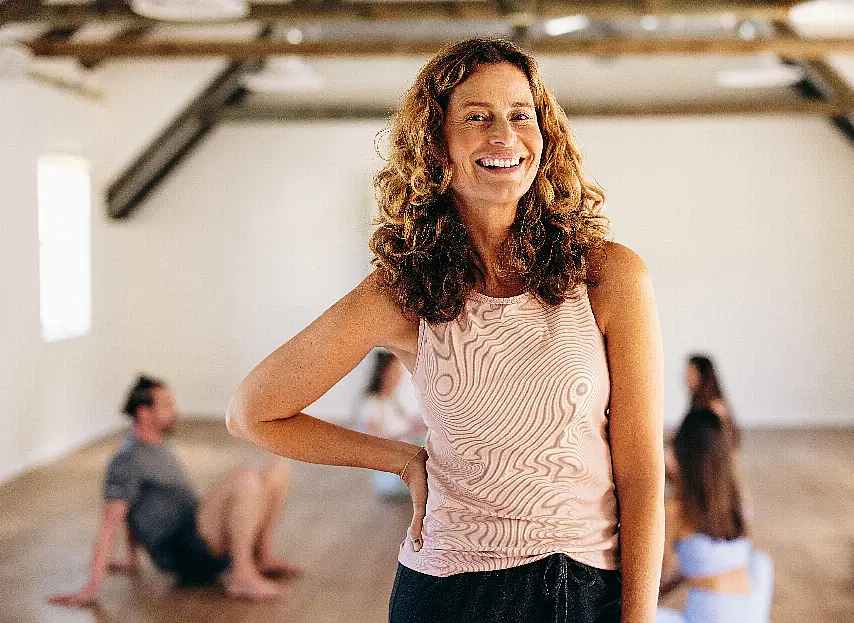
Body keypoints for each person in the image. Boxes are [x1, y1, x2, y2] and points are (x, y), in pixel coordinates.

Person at [227, 37, 664, 623]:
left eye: (520, 116)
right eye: (476, 118)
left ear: (544, 134)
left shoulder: (609, 275)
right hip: (450, 594)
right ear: (437, 145)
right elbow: (252, 412)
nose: (504, 137)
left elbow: (640, 475)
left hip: (584, 589)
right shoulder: (400, 291)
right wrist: (400, 460)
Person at [48, 375, 301, 606]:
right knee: (244, 477)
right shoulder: (127, 460)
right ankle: (241, 575)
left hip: (198, 529)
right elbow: (110, 521)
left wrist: (131, 559)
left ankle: (263, 555)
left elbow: (133, 509)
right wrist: (91, 586)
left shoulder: (157, 445)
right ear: (144, 412)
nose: (174, 410)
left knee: (279, 467)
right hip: (184, 549)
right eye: (167, 405)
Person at [657, 408, 773, 623]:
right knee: (759, 560)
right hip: (752, 611)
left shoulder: (676, 510)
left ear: (682, 455)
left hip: (711, 616)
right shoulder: (736, 499)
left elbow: (655, 582)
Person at [354, 350, 427, 498]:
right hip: (390, 476)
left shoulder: (393, 402)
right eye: (394, 372)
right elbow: (373, 441)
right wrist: (409, 433)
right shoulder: (372, 404)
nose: (398, 377)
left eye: (399, 372)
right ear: (382, 373)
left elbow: (410, 424)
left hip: (403, 466)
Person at [666, 355, 737, 482]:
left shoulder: (715, 409)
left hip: (704, 475)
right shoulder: (697, 405)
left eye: (690, 372)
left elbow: (726, 445)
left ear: (702, 375)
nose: (685, 377)